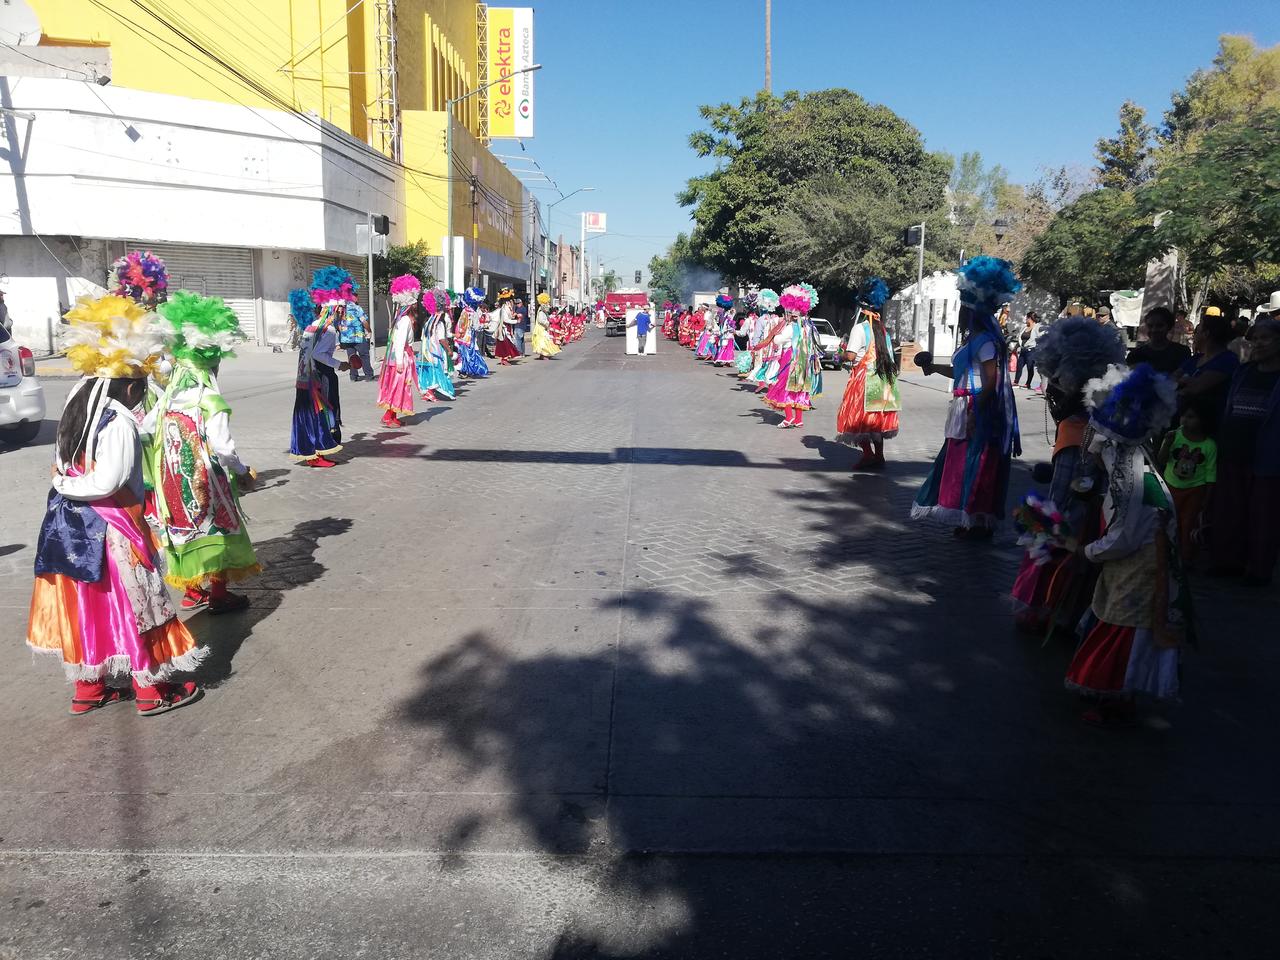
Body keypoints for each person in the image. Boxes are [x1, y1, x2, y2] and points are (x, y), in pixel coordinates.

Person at [29, 294, 205, 716]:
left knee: (88, 606)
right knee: (133, 605)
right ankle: (151, 691)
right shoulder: (118, 422)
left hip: (71, 529)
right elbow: (108, 481)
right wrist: (68, 485)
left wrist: (62, 484)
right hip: (113, 528)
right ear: (129, 387)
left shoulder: (78, 408)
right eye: (139, 391)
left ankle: (89, 689)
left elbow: (63, 465)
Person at [1064, 363, 1188, 726]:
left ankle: (1116, 696)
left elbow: (1125, 536)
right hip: (1139, 564)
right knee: (1124, 625)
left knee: (1125, 629)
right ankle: (1119, 694)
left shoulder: (1128, 477)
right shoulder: (1139, 465)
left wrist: (1085, 551)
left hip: (1142, 567)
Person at [1010, 316, 1126, 636]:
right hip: (1089, 522)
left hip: (1070, 528)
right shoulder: (1095, 422)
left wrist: (1042, 525)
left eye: (1056, 386)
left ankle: (1055, 613)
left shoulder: (1076, 431)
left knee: (1060, 565)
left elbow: (1061, 498)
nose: (1051, 395)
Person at [148, 292, 260, 613]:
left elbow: (145, 427)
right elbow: (223, 447)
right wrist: (242, 471)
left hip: (172, 481)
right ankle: (219, 595)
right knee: (219, 532)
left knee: (186, 532)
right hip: (204, 481)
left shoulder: (170, 394)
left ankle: (192, 590)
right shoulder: (209, 397)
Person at [911, 256, 1022, 539]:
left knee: (978, 460)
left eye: (964, 308)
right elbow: (962, 373)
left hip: (976, 405)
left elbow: (991, 381)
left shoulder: (985, 342)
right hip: (964, 403)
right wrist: (934, 367)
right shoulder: (973, 340)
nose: (960, 313)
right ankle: (968, 516)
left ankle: (977, 520)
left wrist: (975, 413)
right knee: (962, 460)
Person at [1206, 316, 1280, 586]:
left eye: (1265, 338)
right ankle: (1227, 561)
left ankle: (1258, 569)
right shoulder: (1243, 372)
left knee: (1264, 515)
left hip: (1268, 453)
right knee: (1230, 509)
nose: (1258, 344)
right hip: (1235, 448)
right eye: (1255, 338)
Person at [289, 269, 351, 468]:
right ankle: (320, 451)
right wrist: (340, 364)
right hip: (319, 378)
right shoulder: (330, 329)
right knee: (323, 413)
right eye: (342, 310)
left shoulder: (311, 325)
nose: (343, 313)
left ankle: (311, 453)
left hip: (304, 378)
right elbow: (318, 355)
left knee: (308, 415)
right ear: (336, 310)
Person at [836, 277, 899, 470]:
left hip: (863, 379)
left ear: (861, 308)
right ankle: (879, 455)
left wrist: (841, 354)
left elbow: (851, 355)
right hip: (883, 379)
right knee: (876, 419)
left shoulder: (859, 328)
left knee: (857, 418)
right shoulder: (882, 330)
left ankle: (868, 454)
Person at [755, 283, 822, 430]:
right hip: (803, 362)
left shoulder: (791, 327)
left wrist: (779, 332)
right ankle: (798, 419)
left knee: (785, 387)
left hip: (790, 359)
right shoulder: (808, 327)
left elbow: (778, 340)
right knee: (799, 389)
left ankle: (789, 417)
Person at [1158, 397, 1216, 562]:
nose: (1185, 420)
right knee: (1168, 522)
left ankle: (1185, 559)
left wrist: (1207, 497)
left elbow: (1211, 474)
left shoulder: (1209, 445)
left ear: (1203, 420)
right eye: (1183, 415)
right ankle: (1165, 555)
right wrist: (1167, 443)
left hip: (1195, 489)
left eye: (1191, 417)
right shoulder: (1174, 437)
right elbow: (1161, 460)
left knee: (1188, 524)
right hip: (1170, 486)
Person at [1178, 311, 1239, 430]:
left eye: (1196, 331)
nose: (1193, 336)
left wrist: (1180, 384)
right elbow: (1173, 378)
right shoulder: (1195, 359)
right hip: (1186, 426)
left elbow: (1195, 388)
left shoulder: (1228, 360)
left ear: (1206, 334)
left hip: (1212, 426)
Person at [378, 275, 422, 426]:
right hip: (401, 357)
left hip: (401, 356)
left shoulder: (401, 319)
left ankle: (390, 414)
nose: (417, 305)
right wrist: (399, 362)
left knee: (396, 386)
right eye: (415, 302)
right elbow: (399, 342)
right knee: (397, 387)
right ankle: (389, 416)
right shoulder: (404, 321)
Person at [1126, 306, 1192, 375]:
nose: (1154, 330)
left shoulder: (1182, 352)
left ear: (1169, 327)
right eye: (1150, 326)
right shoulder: (1135, 355)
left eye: (1159, 326)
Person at [417, 289, 456, 401]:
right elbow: (442, 339)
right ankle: (431, 392)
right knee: (437, 371)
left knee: (429, 372)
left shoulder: (428, 321)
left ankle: (429, 392)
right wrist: (449, 350)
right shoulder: (439, 322)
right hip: (435, 352)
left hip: (426, 352)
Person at [453, 287, 491, 378]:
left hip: (462, 335)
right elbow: (476, 326)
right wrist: (485, 325)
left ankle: (465, 370)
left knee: (463, 353)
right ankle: (467, 370)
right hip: (468, 336)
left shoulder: (465, 310)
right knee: (470, 353)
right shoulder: (473, 313)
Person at [338, 298, 376, 382]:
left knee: (351, 357)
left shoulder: (341, 309)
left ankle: (353, 376)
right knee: (364, 356)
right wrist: (369, 331)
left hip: (347, 338)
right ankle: (368, 375)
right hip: (358, 336)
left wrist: (344, 334)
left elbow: (339, 325)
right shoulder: (356, 308)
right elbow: (364, 321)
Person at [493, 287, 521, 364]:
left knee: (508, 343)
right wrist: (516, 321)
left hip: (508, 328)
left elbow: (509, 317)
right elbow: (505, 320)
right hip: (504, 328)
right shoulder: (504, 308)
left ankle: (506, 358)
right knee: (505, 344)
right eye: (510, 300)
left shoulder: (508, 308)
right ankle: (504, 359)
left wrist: (515, 316)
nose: (511, 302)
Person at [531, 292, 561, 359]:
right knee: (544, 342)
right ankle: (544, 354)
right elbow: (541, 320)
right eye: (547, 304)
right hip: (541, 329)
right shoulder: (541, 312)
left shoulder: (543, 311)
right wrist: (548, 322)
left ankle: (543, 355)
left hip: (542, 329)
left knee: (543, 342)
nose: (548, 305)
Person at [1013, 312, 1040, 388]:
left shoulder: (1036, 327)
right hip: (1023, 350)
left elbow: (1041, 337)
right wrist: (1015, 348)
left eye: (1027, 318)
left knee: (1030, 367)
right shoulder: (1025, 327)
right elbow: (1020, 339)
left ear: (1030, 318)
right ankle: (1016, 381)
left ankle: (1028, 383)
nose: (1025, 319)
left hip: (1031, 350)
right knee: (1019, 366)